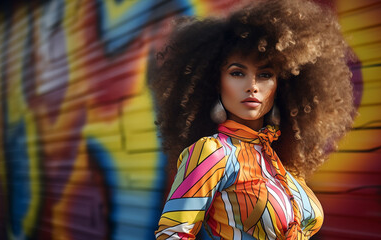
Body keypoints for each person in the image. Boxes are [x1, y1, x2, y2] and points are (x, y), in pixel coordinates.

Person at [150, 0, 355, 239]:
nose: (253, 87)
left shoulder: (281, 161)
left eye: (265, 75)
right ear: (216, 83)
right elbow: (173, 234)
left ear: (282, 85)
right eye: (238, 73)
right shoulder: (213, 153)